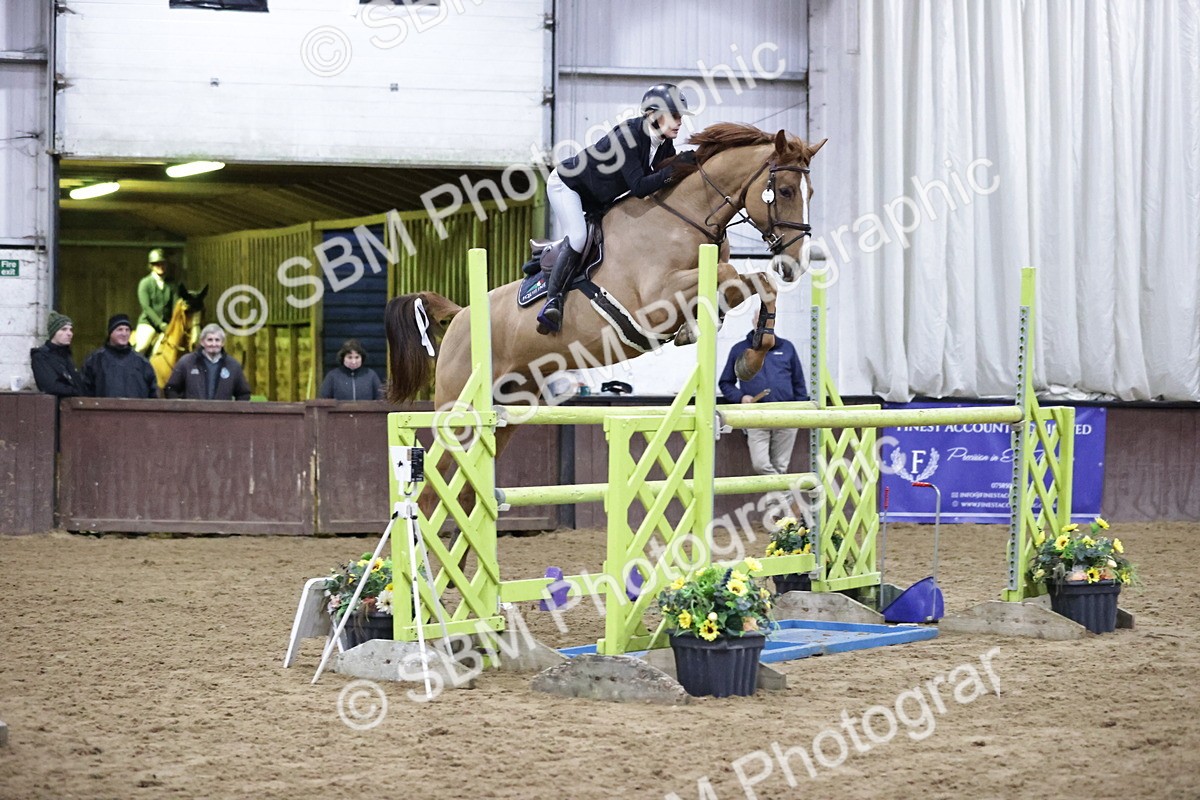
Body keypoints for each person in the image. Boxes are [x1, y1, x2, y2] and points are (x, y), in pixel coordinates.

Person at [537, 82, 698, 333]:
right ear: (654, 115)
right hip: (567, 186)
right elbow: (640, 187)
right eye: (674, 116)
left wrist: (687, 164)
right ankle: (553, 301)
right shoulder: (628, 137)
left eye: (680, 117)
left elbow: (662, 177)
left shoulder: (664, 142)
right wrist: (675, 168)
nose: (679, 122)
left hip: (598, 198)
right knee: (578, 237)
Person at [719, 331, 809, 476]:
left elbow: (799, 383)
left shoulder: (787, 348)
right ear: (754, 321)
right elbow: (725, 382)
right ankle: (783, 489)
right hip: (756, 416)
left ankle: (778, 490)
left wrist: (800, 412)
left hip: (786, 415)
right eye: (760, 320)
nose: (763, 323)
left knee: (781, 465)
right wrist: (741, 397)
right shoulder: (740, 349)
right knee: (760, 464)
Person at [164, 323, 252, 400]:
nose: (213, 344)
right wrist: (181, 408)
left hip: (222, 414)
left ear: (223, 343)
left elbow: (244, 394)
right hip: (193, 413)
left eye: (217, 340)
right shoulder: (186, 362)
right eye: (210, 340)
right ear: (202, 342)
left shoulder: (233, 366)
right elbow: (171, 389)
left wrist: (233, 411)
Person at [82, 314, 159, 398]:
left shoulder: (143, 363)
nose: (124, 333)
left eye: (127, 330)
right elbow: (85, 392)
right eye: (120, 330)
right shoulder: (95, 361)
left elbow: (153, 394)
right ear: (110, 333)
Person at [133, 247, 187, 355]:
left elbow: (175, 306)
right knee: (142, 346)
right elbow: (146, 307)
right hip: (148, 324)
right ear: (151, 266)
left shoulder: (172, 285)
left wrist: (173, 324)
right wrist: (160, 324)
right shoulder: (145, 283)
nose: (160, 266)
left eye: (163, 263)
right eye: (157, 264)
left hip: (168, 325)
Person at [30, 310, 85, 397]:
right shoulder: (41, 356)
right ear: (53, 333)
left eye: (70, 329)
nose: (69, 333)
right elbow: (50, 386)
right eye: (63, 329)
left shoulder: (66, 355)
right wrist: (76, 392)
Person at [318, 339, 385, 401]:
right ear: (343, 358)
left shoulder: (371, 375)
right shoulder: (332, 376)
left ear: (362, 358)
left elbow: (381, 399)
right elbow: (323, 400)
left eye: (357, 357)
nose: (353, 361)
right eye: (349, 357)